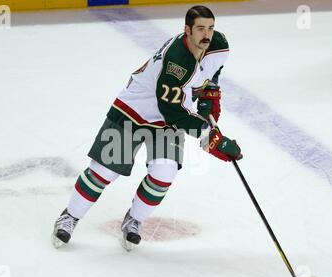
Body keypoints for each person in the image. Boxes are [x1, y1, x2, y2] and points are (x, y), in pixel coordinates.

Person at [51, 5, 242, 251]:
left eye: (211, 28)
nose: (207, 34)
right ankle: (70, 216)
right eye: (200, 29)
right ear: (187, 31)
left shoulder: (218, 45)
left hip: (168, 120)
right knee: (104, 172)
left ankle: (134, 220)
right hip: (133, 111)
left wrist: (209, 98)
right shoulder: (177, 62)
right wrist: (213, 140)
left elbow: (212, 74)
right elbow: (172, 111)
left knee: (164, 173)